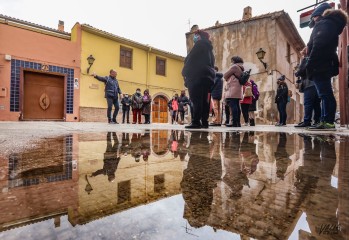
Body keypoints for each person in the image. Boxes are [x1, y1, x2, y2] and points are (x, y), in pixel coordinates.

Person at [305, 3, 348, 130]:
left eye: (313, 17)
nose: (313, 19)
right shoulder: (331, 24)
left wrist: (310, 64)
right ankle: (325, 120)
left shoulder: (324, 24)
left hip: (319, 64)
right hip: (324, 64)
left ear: (318, 15)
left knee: (325, 94)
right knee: (325, 94)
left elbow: (318, 45)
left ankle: (328, 121)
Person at [182, 29, 215, 129]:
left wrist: (184, 72)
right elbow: (212, 64)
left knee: (196, 99)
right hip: (207, 76)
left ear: (200, 36)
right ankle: (204, 121)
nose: (194, 37)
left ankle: (196, 122)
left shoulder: (199, 45)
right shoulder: (209, 50)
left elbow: (190, 60)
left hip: (196, 75)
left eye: (196, 35)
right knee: (204, 100)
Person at [294, 48, 321, 128]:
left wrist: (297, 73)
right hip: (316, 84)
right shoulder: (315, 58)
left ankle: (307, 121)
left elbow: (301, 71)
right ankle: (317, 121)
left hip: (309, 84)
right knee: (316, 104)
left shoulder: (306, 59)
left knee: (308, 103)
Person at [223, 56, 244, 127]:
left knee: (233, 105)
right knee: (237, 105)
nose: (231, 62)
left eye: (231, 61)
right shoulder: (240, 68)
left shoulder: (234, 67)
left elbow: (225, 75)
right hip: (238, 88)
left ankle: (235, 122)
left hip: (233, 88)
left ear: (234, 61)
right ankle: (238, 123)